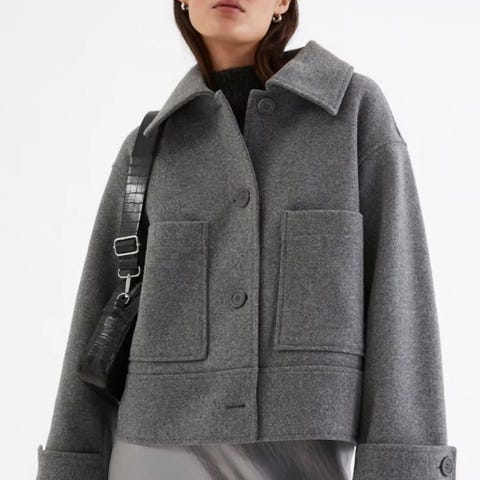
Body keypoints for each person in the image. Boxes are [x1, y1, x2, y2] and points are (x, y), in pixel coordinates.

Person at [36, 1, 457, 480]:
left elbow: (400, 297)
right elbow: (96, 314)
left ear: (282, 3)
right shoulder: (149, 146)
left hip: (303, 459)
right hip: (151, 456)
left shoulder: (352, 113)